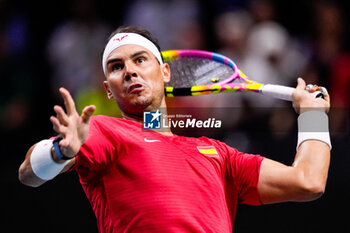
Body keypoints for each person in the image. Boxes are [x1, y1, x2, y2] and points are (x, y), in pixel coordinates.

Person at [18, 26, 331, 233]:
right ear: (108, 90)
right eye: (117, 67)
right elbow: (28, 174)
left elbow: (308, 181)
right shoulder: (104, 132)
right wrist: (60, 151)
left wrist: (314, 116)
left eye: (140, 60)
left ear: (165, 72)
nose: (129, 71)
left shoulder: (219, 155)